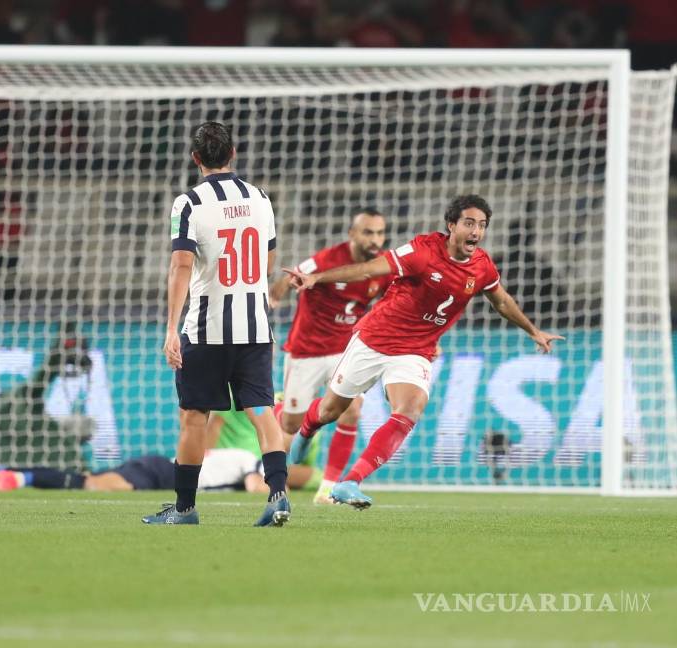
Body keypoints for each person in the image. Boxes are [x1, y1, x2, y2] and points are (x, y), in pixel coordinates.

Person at [285, 194, 563, 508]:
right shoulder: (422, 251)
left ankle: (350, 482)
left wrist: (533, 331)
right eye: (469, 223)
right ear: (451, 225)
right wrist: (317, 278)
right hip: (374, 339)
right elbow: (368, 269)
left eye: (482, 225)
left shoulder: (482, 266)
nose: (476, 231)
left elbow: (501, 301)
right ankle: (307, 429)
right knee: (329, 412)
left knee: (410, 409)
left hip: (415, 350)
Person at [145, 121, 290, 527]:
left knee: (194, 415)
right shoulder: (260, 198)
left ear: (196, 159)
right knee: (263, 411)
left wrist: (172, 327)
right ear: (234, 153)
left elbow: (181, 264)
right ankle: (277, 495)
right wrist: (255, 294)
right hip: (255, 325)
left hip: (207, 327)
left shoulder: (188, 203)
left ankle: (185, 509)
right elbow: (268, 257)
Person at [269, 209, 392, 504]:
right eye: (368, 232)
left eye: (379, 233)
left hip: (345, 350)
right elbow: (292, 277)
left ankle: (328, 487)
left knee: (351, 410)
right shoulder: (327, 259)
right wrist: (275, 297)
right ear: (352, 234)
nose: (375, 239)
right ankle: (278, 409)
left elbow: (396, 298)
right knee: (290, 426)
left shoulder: (380, 267)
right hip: (306, 351)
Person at [0, 330, 94, 489]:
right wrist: (63, 348)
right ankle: (15, 478)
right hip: (22, 408)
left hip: (4, 406)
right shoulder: (57, 437)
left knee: (17, 452)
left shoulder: (15, 404)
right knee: (75, 474)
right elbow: (44, 375)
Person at [0, 448, 270, 494]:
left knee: (85, 480)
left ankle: (3, 470)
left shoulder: (236, 454)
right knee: (95, 485)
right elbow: (255, 487)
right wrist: (279, 490)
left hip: (159, 466)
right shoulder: (252, 460)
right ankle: (21, 477)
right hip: (165, 473)